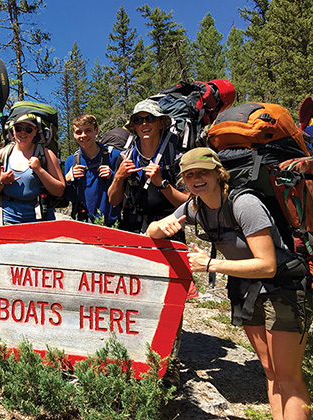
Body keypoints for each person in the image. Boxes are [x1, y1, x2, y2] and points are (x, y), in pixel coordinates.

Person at [147, 148, 312, 420]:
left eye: (203, 172)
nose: (196, 178)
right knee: (271, 371)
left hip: (284, 288)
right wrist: (159, 229)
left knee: (288, 376)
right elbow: (154, 229)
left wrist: (211, 265)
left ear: (218, 173)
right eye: (189, 175)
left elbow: (268, 265)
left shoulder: (244, 204)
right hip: (248, 289)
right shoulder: (195, 205)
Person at [107, 99, 189, 235]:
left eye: (150, 118)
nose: (144, 123)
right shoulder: (125, 157)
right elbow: (113, 201)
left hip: (167, 227)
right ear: (134, 126)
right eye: (138, 120)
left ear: (161, 123)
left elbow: (187, 203)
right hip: (131, 226)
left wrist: (161, 184)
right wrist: (118, 177)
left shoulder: (176, 156)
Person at [0, 113, 65, 224]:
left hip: (40, 218)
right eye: (18, 128)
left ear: (35, 131)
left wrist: (39, 170)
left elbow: (59, 190)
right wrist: (1, 182)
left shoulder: (46, 154)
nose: (22, 132)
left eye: (28, 129)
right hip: (8, 217)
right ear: (13, 129)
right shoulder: (2, 154)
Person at [64, 114, 121, 226]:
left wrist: (113, 177)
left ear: (96, 130)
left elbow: (125, 191)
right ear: (74, 134)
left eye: (88, 131)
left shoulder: (114, 156)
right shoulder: (71, 161)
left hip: (113, 223)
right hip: (82, 223)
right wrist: (68, 180)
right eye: (78, 132)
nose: (83, 135)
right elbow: (70, 197)